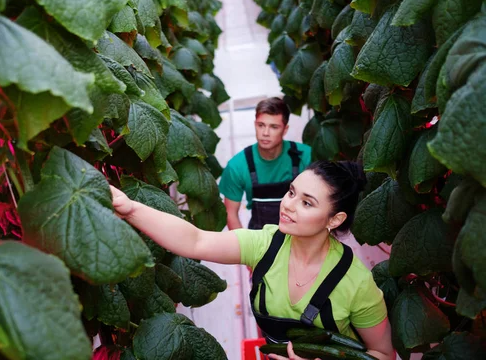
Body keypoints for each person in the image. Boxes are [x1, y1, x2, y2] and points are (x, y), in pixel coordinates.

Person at [110, 161, 395, 360]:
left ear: (335, 219)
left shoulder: (356, 283)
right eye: (291, 192)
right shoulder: (266, 244)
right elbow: (196, 241)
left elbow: (383, 354)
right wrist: (129, 208)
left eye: (307, 203)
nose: (288, 205)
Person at [219, 97, 312, 231]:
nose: (265, 133)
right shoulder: (237, 165)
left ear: (285, 129)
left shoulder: (305, 156)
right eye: (261, 125)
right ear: (255, 124)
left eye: (274, 127)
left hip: (300, 238)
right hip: (259, 241)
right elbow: (231, 214)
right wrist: (245, 250)